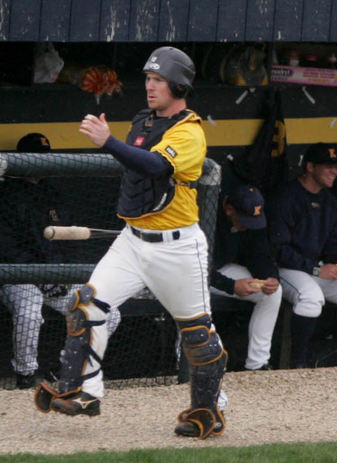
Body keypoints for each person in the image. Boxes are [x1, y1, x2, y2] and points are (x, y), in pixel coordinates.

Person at [33, 47, 226, 439]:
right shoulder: (144, 120)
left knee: (198, 337)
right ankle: (85, 391)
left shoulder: (190, 131)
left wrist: (108, 141)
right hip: (132, 240)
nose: (150, 87)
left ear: (178, 85)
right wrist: (116, 141)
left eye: (158, 81)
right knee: (84, 304)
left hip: (176, 248)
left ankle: (209, 410)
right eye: (149, 80)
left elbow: (155, 166)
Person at [1, 134, 121, 389]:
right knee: (30, 311)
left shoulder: (52, 194)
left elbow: (66, 245)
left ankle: (67, 367)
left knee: (108, 313)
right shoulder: (7, 195)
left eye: (47, 158)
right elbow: (8, 248)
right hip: (17, 276)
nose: (43, 164)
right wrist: (40, 276)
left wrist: (57, 273)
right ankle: (26, 375)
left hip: (55, 275)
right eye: (38, 158)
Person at [269, 143, 337, 369]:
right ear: (310, 167)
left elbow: (333, 244)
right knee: (311, 296)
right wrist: (317, 269)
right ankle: (297, 365)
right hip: (287, 268)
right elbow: (279, 249)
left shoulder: (330, 201)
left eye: (336, 167)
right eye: (328, 167)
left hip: (316, 268)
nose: (334, 172)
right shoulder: (286, 196)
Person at [209, 184, 282, 371]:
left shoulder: (253, 222)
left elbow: (260, 254)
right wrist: (231, 285)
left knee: (273, 292)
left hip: (224, 269)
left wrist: (270, 278)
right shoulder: (208, 212)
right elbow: (195, 266)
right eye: (244, 220)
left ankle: (257, 364)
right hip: (194, 274)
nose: (247, 225)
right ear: (229, 209)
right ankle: (185, 366)